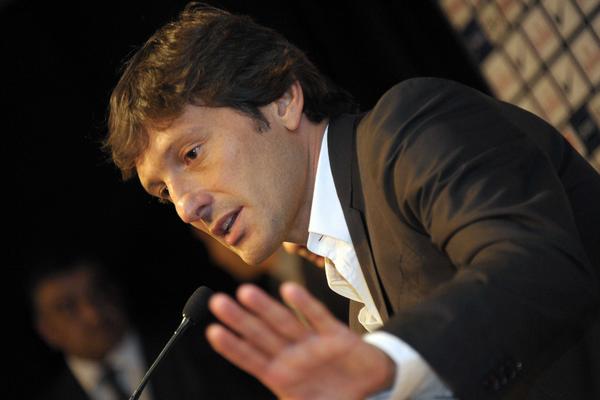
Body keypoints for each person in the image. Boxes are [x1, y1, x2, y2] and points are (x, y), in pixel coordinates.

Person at [104, 3, 600, 399]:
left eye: (191, 154)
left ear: (283, 100)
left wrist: (384, 365)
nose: (185, 207)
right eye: (164, 192)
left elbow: (536, 263)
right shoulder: (351, 306)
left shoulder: (407, 131)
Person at [29, 253, 273, 399]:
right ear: (47, 330)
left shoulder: (201, 352)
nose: (93, 314)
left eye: (98, 293)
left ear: (117, 292)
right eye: (68, 308)